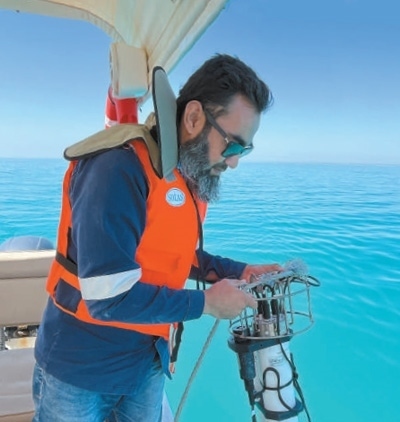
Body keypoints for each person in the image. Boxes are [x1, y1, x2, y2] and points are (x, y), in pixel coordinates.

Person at [32, 54, 281, 421]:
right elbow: (108, 298)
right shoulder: (116, 168)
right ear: (193, 118)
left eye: (244, 151)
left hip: (145, 363)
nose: (233, 162)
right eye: (232, 145)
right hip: (81, 369)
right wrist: (206, 303)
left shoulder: (180, 174)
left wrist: (240, 272)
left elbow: (172, 254)